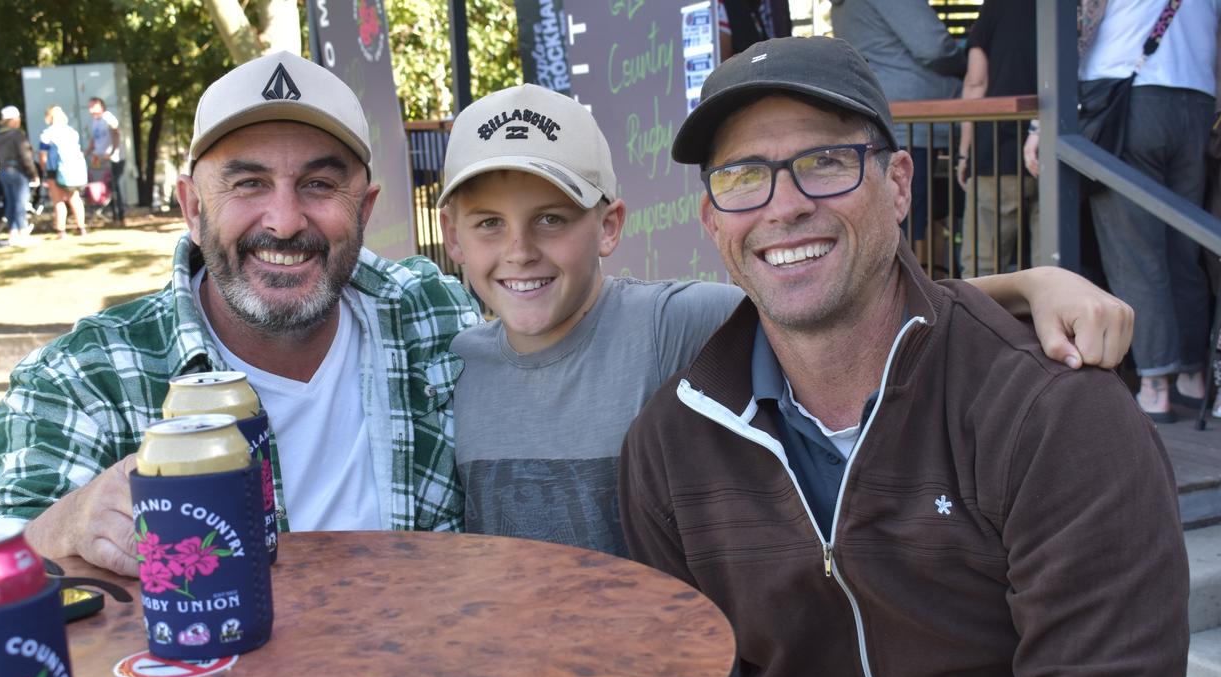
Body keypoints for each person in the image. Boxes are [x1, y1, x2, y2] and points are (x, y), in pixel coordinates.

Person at [619, 35, 1187, 677]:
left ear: (898, 186)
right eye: (743, 177)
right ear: (713, 220)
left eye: (825, 162)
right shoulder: (671, 445)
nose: (783, 206)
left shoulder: (1052, 413)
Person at [441, 84, 1134, 558]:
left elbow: (840, 301)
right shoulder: (451, 365)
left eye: (552, 219)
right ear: (452, 235)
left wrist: (1031, 283)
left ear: (609, 225)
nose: (520, 251)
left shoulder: (668, 324)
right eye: (489, 225)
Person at [0, 51, 480, 577]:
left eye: (319, 184)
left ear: (365, 209)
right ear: (193, 208)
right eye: (248, 183)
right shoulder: (85, 379)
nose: (284, 222)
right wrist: (68, 523)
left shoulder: (431, 314)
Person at [1079, 0, 1218, 422]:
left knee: (1134, 247)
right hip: (1196, 99)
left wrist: (1039, 124)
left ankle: (1155, 385)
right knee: (1184, 246)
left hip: (1125, 93)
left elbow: (1081, 24)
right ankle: (1192, 378)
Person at [829, 0, 964, 270]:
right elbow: (934, 46)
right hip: (920, 115)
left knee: (896, 220)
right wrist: (971, 58)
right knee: (910, 219)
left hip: (880, 113)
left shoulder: (843, 8)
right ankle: (919, 300)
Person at [955, 0, 1042, 277]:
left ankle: (979, 323)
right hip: (1057, 152)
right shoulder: (1072, 7)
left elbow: (975, 82)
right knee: (1052, 271)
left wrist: (964, 152)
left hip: (996, 150)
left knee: (983, 271)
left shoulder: (997, 6)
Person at [38, 106, 89, 240]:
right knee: (75, 198)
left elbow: (43, 155)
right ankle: (81, 227)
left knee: (58, 200)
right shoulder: (72, 132)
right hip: (71, 170)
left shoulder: (47, 134)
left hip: (54, 170)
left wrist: (44, 170)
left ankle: (61, 231)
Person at [0, 106, 39, 245]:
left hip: (3, 172)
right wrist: (33, 173)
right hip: (17, 171)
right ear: (13, 120)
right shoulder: (17, 135)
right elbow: (25, 156)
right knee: (20, 202)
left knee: (11, 202)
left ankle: (13, 233)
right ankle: (23, 233)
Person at [86, 97, 125, 225]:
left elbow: (116, 133)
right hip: (101, 159)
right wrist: (86, 153)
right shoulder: (94, 121)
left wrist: (114, 151)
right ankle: (113, 216)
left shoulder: (107, 117)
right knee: (106, 186)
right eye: (89, 106)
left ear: (101, 106)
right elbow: (93, 140)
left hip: (114, 159)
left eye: (93, 106)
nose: (90, 109)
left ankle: (120, 217)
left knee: (114, 187)